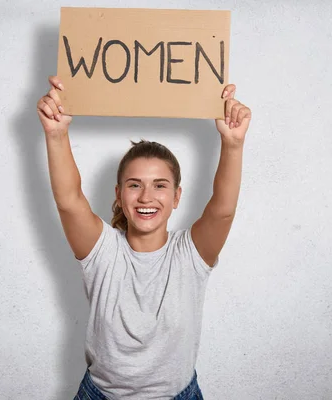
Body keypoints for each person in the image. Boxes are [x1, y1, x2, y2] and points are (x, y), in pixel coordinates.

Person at [37, 76, 251, 400]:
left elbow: (222, 211)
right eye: (134, 184)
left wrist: (233, 144)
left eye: (160, 185)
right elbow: (69, 200)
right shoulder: (103, 251)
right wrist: (56, 134)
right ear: (119, 194)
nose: (146, 196)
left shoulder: (189, 255)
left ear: (177, 196)